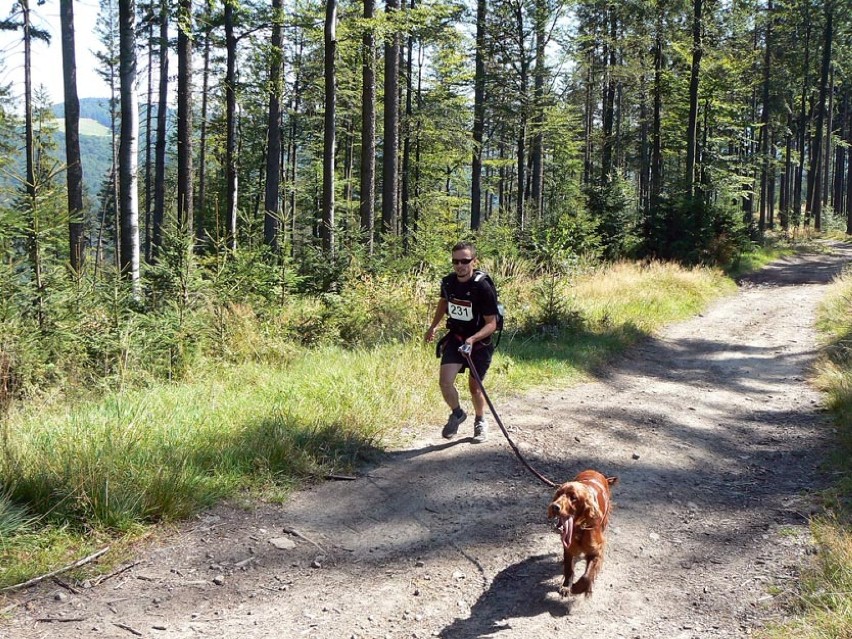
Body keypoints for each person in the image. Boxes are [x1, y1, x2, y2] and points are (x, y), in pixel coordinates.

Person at [425, 242, 499, 442]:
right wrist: (433, 326)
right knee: (445, 382)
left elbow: (492, 323)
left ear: (474, 261)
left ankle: (480, 421)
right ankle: (457, 413)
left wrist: (473, 339)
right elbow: (443, 303)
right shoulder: (448, 283)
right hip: (456, 339)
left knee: (475, 387)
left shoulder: (482, 286)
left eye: (465, 261)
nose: (460, 265)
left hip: (479, 343)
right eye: (456, 261)